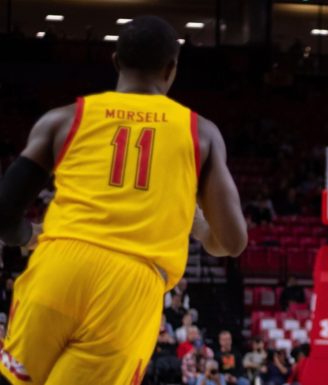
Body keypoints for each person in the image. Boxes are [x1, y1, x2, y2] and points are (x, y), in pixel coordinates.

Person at [0, 16, 247, 385]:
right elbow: (232, 242)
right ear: (171, 69)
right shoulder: (202, 134)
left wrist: (29, 234)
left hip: (59, 267)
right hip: (133, 288)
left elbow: (4, 214)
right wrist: (197, 224)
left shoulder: (64, 119)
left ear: (115, 61)